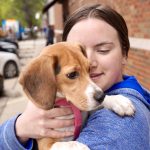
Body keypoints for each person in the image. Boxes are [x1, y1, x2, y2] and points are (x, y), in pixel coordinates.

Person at [0, 4, 150, 150]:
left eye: (103, 50)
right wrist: (18, 129)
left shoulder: (122, 127)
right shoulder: (50, 99)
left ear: (125, 53)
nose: (91, 62)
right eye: (72, 74)